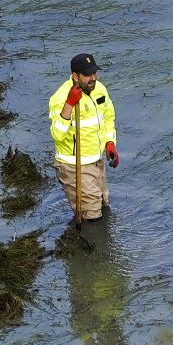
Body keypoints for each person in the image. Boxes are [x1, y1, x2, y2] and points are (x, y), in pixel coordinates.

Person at [48, 52, 117, 223]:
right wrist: (69, 104)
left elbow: (108, 117)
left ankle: (91, 243)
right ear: (74, 76)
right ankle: (91, 246)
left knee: (103, 205)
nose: (93, 78)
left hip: (97, 161)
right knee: (93, 217)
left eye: (95, 73)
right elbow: (57, 134)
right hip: (74, 166)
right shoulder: (60, 98)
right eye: (87, 75)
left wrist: (110, 143)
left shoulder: (99, 89)